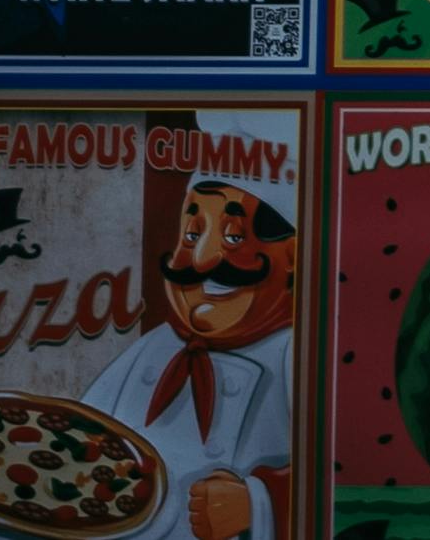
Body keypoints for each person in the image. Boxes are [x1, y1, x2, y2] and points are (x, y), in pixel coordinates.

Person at [88, 162, 299, 540]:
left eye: (234, 237)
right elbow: (82, 433)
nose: (200, 261)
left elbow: (339, 474)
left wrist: (258, 504)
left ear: (294, 256)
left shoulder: (293, 355)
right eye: (191, 235)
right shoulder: (157, 345)